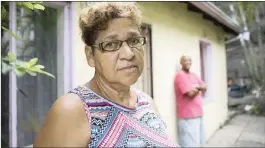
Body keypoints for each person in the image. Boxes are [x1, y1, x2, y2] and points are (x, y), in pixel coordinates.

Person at [34, 2, 178, 147]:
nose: (128, 54)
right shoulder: (73, 110)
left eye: (134, 40)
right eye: (111, 44)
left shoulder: (146, 102)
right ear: (91, 55)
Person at [174, 55, 207, 147]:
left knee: (197, 143)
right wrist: (199, 87)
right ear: (181, 63)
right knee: (189, 144)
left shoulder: (193, 75)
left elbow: (205, 86)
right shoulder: (180, 75)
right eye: (185, 60)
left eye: (189, 60)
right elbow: (190, 93)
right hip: (188, 116)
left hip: (198, 114)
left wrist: (197, 87)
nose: (188, 62)